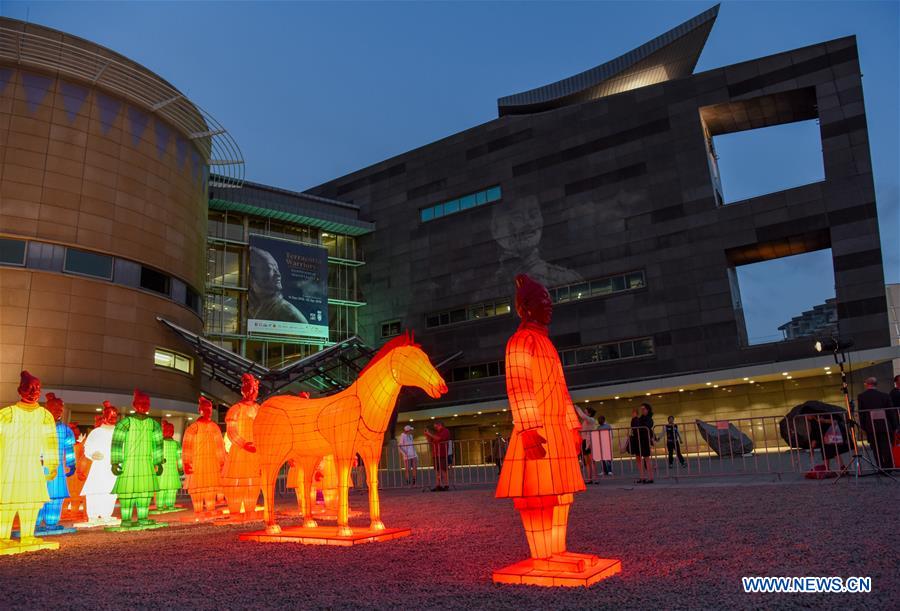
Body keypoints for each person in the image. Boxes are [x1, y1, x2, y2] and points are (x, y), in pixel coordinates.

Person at [495, 274, 598, 574]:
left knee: (561, 493)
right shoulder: (519, 342)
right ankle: (542, 555)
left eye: (550, 301)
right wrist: (528, 429)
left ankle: (557, 550)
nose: (549, 306)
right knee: (536, 496)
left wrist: (573, 426)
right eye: (543, 301)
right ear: (526, 307)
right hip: (536, 431)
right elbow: (519, 387)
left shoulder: (547, 345)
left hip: (557, 430)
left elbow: (562, 390)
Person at [0, 371, 59, 552]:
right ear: (20, 390)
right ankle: (3, 536)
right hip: (9, 465)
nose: (34, 392)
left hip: (32, 465)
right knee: (7, 502)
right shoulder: (7, 414)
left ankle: (28, 535)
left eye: (37, 389)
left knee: (31, 502)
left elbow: (50, 442)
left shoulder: (45, 416)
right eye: (29, 388)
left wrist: (52, 463)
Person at [110, 389, 165, 529]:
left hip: (147, 463)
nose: (144, 405)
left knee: (145, 492)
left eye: (147, 403)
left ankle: (143, 517)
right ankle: (126, 519)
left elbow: (158, 444)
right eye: (141, 402)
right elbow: (117, 442)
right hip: (129, 463)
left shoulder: (154, 424)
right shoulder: (125, 423)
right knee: (127, 492)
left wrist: (158, 461)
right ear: (134, 404)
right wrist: (115, 461)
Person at [222, 374, 262, 518]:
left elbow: (263, 430)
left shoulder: (259, 409)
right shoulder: (235, 409)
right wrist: (244, 444)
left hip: (255, 453)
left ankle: (250, 509)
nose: (253, 392)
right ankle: (235, 511)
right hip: (239, 452)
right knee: (236, 482)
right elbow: (231, 431)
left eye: (255, 389)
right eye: (251, 388)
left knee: (253, 481)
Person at [36, 393, 76, 533]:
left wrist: (71, 463)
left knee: (56, 496)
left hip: (57, 470)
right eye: (55, 408)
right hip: (38, 468)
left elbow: (69, 448)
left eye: (60, 409)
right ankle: (35, 523)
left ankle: (51, 523)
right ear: (47, 408)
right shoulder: (38, 427)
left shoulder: (65, 429)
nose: (58, 411)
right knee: (37, 497)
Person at [182, 396, 226, 519]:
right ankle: (198, 510)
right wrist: (186, 462)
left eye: (209, 410)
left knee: (211, 489)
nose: (208, 412)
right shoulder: (193, 428)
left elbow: (220, 446)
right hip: (198, 464)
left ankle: (211, 509)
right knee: (197, 489)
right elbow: (187, 446)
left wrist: (222, 462)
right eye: (205, 409)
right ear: (200, 410)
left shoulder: (214, 427)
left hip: (212, 464)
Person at [77, 402, 119, 526]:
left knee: (111, 491)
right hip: (99, 467)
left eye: (115, 415)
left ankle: (106, 514)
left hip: (113, 467)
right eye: (110, 414)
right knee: (95, 490)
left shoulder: (119, 433)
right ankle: (93, 515)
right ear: (105, 416)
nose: (112, 417)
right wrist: (92, 454)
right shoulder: (96, 432)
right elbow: (88, 447)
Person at [248, 246, 308, 324]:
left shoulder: (288, 314)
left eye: (277, 268)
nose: (278, 274)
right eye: (270, 268)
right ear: (252, 274)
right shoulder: (251, 306)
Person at [857, 377, 896, 469]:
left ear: (866, 384)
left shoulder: (862, 396)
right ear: (876, 384)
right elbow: (891, 412)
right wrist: (895, 425)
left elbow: (861, 413)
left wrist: (863, 426)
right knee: (886, 446)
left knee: (875, 448)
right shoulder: (885, 395)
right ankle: (889, 467)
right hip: (885, 425)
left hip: (870, 426)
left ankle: (880, 466)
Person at [155, 420, 183, 512]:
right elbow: (179, 458)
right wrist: (180, 469)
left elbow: (155, 457)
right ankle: (170, 506)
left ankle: (160, 506)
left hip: (161, 472)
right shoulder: (176, 444)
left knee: (161, 490)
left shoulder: (159, 444)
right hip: (172, 472)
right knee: (171, 490)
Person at [574, 405, 598, 484]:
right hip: (584, 441)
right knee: (587, 462)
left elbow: (582, 416)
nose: (584, 413)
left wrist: (577, 408)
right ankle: (589, 478)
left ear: (589, 413)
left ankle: (595, 478)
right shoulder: (586, 421)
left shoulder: (591, 420)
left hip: (589, 441)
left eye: (585, 412)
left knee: (592, 460)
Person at [424, 421, 450, 491]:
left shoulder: (445, 431)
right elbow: (431, 441)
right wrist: (427, 435)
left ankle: (446, 485)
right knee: (437, 470)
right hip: (436, 453)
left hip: (442, 453)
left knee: (443, 469)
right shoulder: (437, 432)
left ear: (440, 425)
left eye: (436, 426)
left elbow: (439, 439)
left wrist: (429, 434)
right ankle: (438, 485)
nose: (435, 428)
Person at [636, 403, 656, 483]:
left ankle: (650, 478)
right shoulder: (640, 418)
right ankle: (642, 477)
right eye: (641, 409)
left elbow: (646, 427)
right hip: (639, 440)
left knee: (647, 459)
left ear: (648, 409)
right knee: (639, 458)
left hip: (645, 440)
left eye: (644, 409)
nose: (642, 410)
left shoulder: (649, 419)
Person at [628, 408, 641, 479]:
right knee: (639, 458)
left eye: (633, 412)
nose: (632, 414)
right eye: (632, 412)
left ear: (636, 413)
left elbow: (634, 430)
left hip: (636, 440)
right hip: (637, 439)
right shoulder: (636, 419)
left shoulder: (635, 420)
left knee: (638, 458)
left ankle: (642, 475)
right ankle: (642, 475)